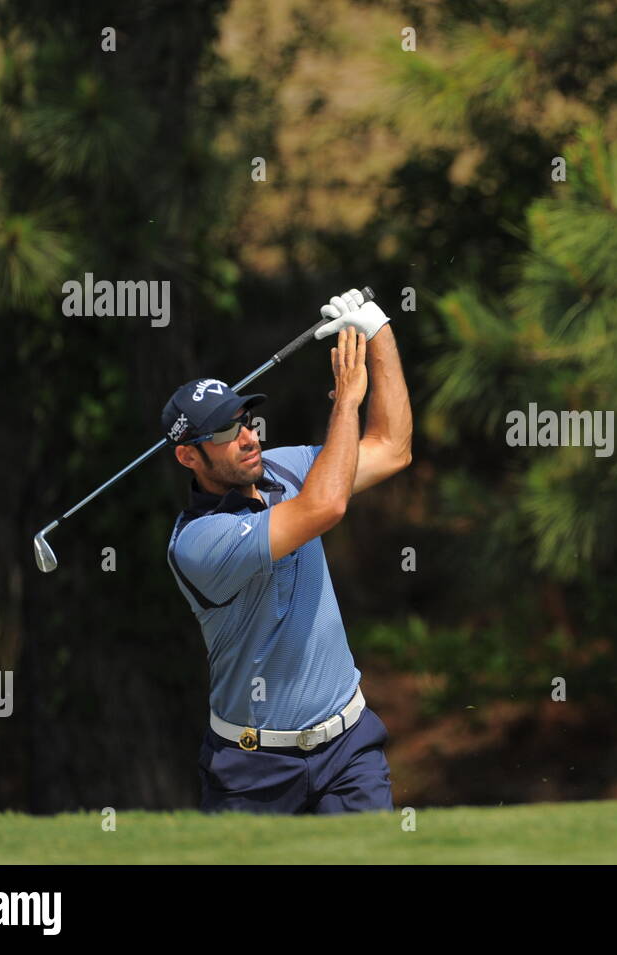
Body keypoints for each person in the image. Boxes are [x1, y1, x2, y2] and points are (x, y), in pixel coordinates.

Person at [159, 289, 412, 814]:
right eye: (225, 430)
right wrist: (346, 401)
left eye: (245, 419)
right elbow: (325, 508)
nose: (247, 436)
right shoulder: (199, 544)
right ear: (188, 456)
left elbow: (391, 448)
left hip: (349, 750)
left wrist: (378, 331)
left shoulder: (287, 468)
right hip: (253, 773)